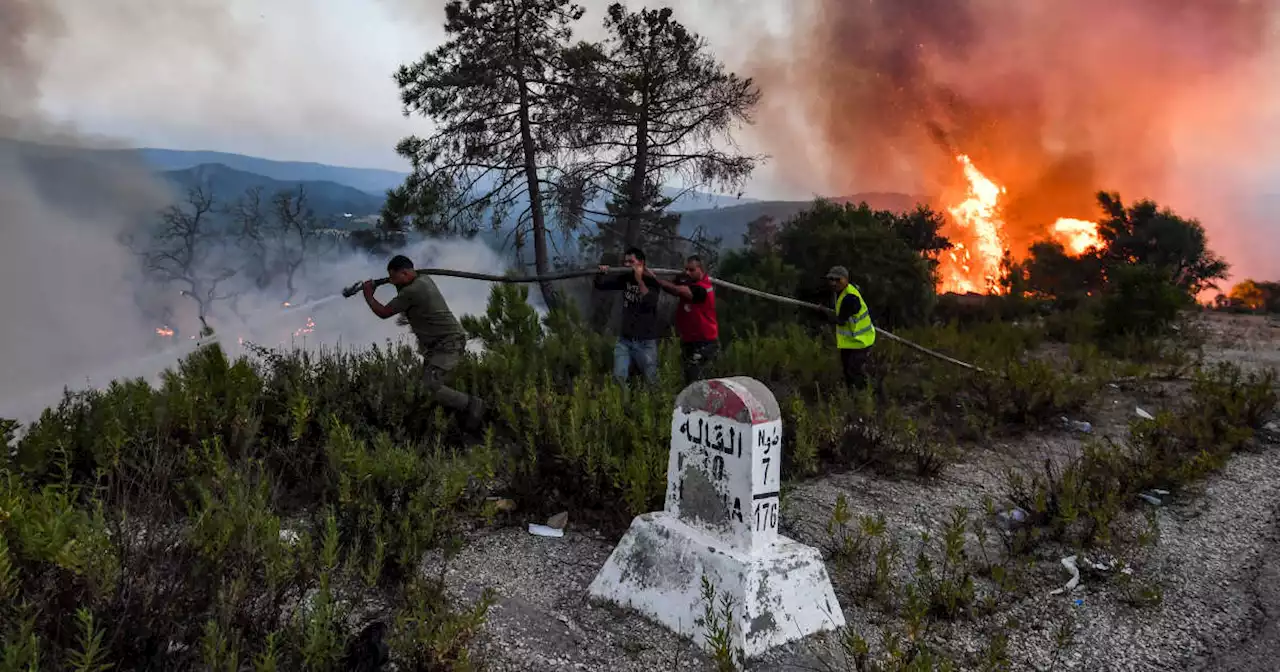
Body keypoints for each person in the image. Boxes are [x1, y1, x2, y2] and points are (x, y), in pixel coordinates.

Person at [362, 255, 486, 429]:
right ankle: (437, 420)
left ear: (405, 273)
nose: (391, 281)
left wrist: (368, 295)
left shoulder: (413, 291)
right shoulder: (423, 278)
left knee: (431, 386)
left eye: (394, 278)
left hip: (448, 343)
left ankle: (472, 405)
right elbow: (403, 292)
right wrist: (395, 281)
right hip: (439, 344)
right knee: (425, 385)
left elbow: (384, 312)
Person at [595, 247, 662, 385]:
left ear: (641, 263)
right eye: (625, 262)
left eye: (631, 262)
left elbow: (650, 301)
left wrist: (639, 280)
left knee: (652, 382)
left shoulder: (652, 280)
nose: (626, 265)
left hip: (646, 341)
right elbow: (601, 285)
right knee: (619, 379)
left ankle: (655, 405)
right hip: (625, 340)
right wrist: (601, 273)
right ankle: (621, 406)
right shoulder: (625, 278)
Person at [647, 255, 718, 384]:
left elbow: (675, 290)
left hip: (704, 342)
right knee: (688, 376)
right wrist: (680, 277)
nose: (687, 272)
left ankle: (701, 403)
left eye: (691, 270)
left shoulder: (702, 289)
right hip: (689, 340)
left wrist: (654, 279)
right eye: (686, 269)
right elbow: (676, 283)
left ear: (701, 270)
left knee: (696, 377)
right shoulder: (690, 282)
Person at [825, 265, 877, 392]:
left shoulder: (850, 298)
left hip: (861, 341)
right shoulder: (840, 293)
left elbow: (840, 321)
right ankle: (853, 395)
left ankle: (868, 395)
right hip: (849, 342)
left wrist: (824, 313)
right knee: (848, 372)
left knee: (855, 371)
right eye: (831, 279)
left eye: (838, 280)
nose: (834, 283)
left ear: (846, 280)